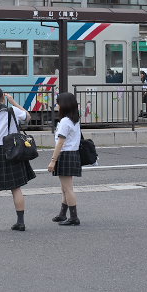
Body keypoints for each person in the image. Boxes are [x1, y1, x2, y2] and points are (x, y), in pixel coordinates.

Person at [0, 86, 35, 232]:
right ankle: (20, 222)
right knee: (16, 188)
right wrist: (13, 102)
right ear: (3, 97)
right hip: (12, 150)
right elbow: (28, 116)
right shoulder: (11, 111)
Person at [48, 92, 82, 226]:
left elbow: (60, 143)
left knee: (67, 189)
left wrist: (53, 160)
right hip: (73, 154)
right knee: (65, 188)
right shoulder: (74, 120)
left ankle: (74, 217)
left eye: (58, 103)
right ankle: (63, 214)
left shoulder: (65, 122)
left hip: (65, 155)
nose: (57, 105)